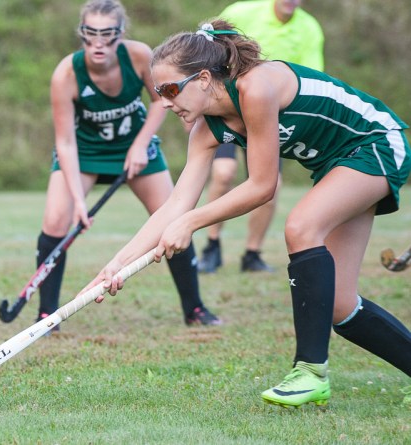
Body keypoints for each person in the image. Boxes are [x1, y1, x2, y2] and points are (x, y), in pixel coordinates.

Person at [88, 19, 411, 408]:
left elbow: (262, 186)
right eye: (158, 93)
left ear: (204, 78)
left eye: (172, 89)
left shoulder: (256, 87)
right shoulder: (206, 130)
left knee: (301, 226)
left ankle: (310, 371)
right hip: (335, 165)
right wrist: (117, 263)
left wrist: (191, 222)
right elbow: (175, 204)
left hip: (376, 143)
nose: (166, 102)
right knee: (340, 304)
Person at [35, 0, 220, 329]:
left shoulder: (138, 56)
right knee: (55, 221)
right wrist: (79, 201)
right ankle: (47, 315)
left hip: (135, 146)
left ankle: (194, 309)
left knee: (172, 219)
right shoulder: (66, 73)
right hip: (85, 150)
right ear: (82, 33)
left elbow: (161, 101)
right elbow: (64, 141)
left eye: (108, 34)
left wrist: (139, 145)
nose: (98, 43)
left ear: (120, 34)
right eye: (90, 33)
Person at [198, 0, 325, 274]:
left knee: (271, 186)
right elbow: (208, 52)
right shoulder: (241, 12)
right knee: (223, 172)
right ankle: (212, 245)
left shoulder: (309, 28)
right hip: (229, 109)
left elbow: (313, 77)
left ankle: (252, 253)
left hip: (268, 114)